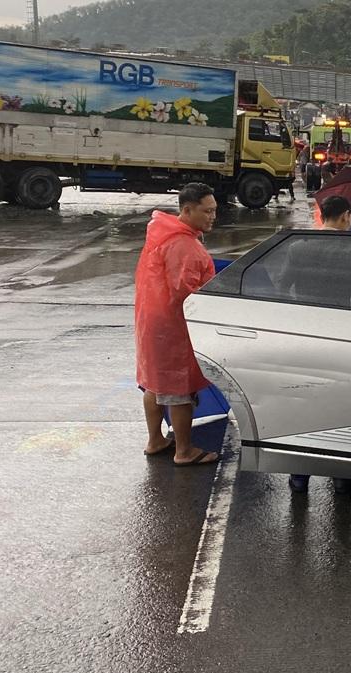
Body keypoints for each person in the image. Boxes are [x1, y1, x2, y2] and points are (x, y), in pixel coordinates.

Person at [135, 182, 219, 466]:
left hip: (153, 320)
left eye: (214, 211)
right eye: (207, 211)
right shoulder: (182, 244)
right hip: (174, 325)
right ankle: (184, 451)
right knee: (178, 388)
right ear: (187, 210)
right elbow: (186, 291)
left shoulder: (163, 233)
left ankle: (155, 439)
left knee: (155, 384)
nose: (212, 217)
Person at [289, 194, 351, 494]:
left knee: (305, 404)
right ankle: (341, 476)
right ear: (344, 217)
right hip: (340, 336)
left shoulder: (297, 247)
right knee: (339, 405)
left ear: (321, 215)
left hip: (304, 334)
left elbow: (281, 285)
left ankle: (300, 475)